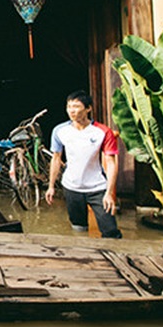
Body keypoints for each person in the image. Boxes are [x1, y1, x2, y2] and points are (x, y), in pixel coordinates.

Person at [44, 90, 122, 238]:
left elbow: (111, 163)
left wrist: (109, 193)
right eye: (69, 107)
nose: (71, 111)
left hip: (97, 188)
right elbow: (56, 159)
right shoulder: (60, 131)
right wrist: (51, 186)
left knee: (111, 231)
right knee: (79, 229)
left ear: (88, 108)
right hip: (71, 187)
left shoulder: (102, 132)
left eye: (76, 106)